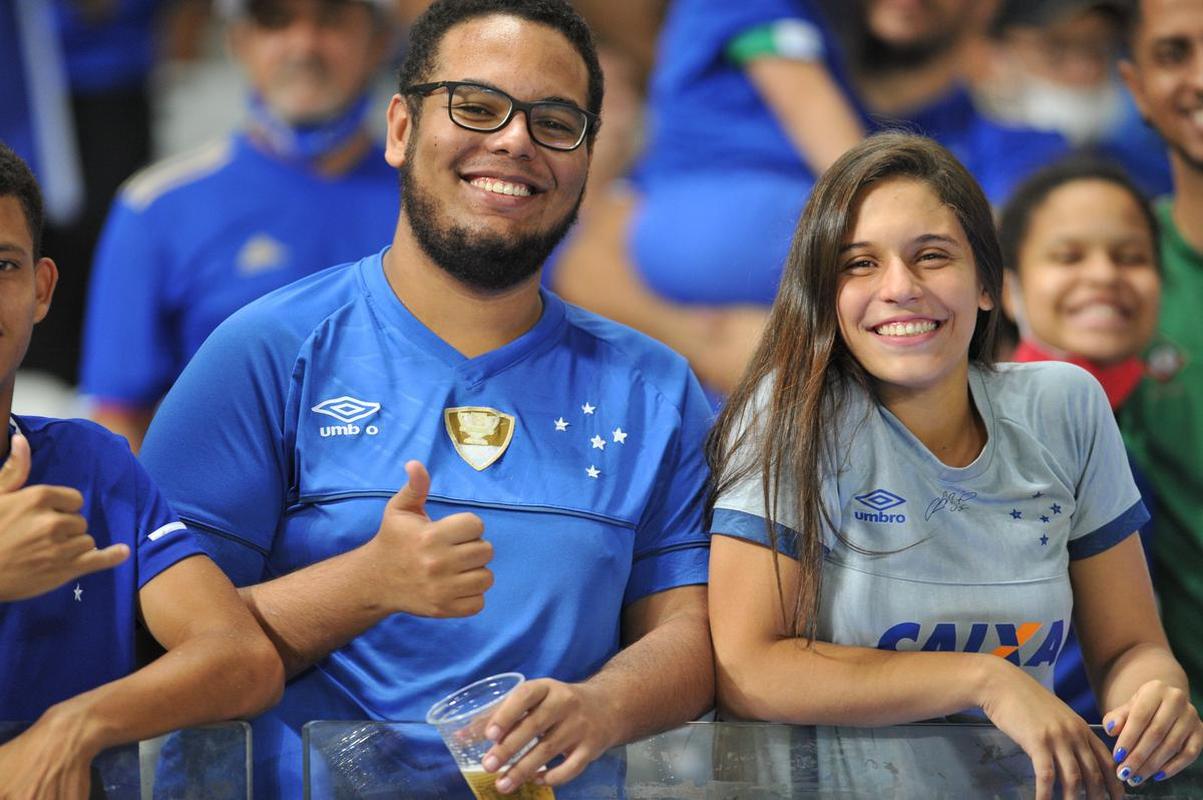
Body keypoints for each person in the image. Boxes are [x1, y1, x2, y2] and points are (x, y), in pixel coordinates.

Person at [138, 0, 714, 796]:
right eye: (477, 107)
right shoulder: (268, 350)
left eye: (555, 121)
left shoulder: (656, 388)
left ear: (586, 157)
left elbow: (686, 632)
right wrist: (362, 584)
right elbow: (150, 642)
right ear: (402, 128)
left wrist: (602, 706)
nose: (514, 140)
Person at [707, 132, 1202, 798]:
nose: (899, 289)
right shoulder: (789, 412)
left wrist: (1155, 695)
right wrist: (986, 679)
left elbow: (1129, 648)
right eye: (858, 264)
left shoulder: (1064, 405)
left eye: (931, 256)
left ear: (988, 284)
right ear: (824, 293)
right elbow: (749, 671)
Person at [553, 0, 1067, 400]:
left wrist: (795, 358)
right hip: (701, 430)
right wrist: (704, 341)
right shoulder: (754, 58)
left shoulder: (1016, 149)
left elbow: (1013, 300)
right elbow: (588, 263)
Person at [0, 142, 283, 798]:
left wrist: (73, 727)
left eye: (2, 264)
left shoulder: (93, 465)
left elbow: (243, 661)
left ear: (41, 290)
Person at [80, 0, 398, 452]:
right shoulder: (156, 207)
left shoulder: (440, 199)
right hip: (220, 516)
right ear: (238, 41)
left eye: (331, 20)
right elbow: (119, 419)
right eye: (274, 21)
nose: (304, 45)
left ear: (379, 42)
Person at [998, 157, 1162, 723]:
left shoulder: (1145, 428)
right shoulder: (980, 437)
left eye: (1131, 257)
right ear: (1007, 291)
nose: (1103, 275)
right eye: (1067, 256)